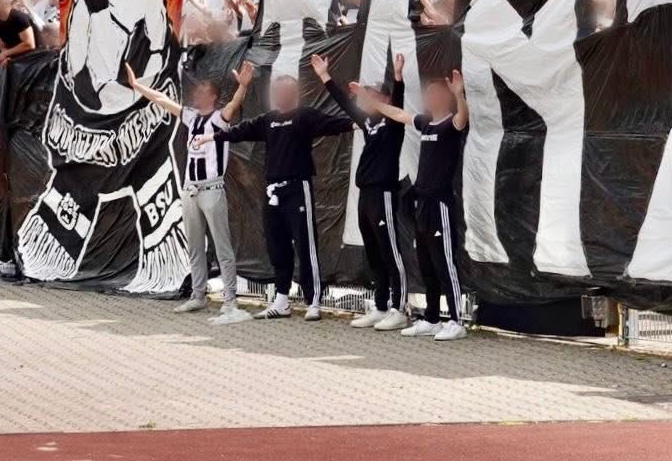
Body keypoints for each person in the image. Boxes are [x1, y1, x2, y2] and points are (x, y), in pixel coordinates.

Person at [198, 59, 353, 321]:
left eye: (285, 91)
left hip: (298, 188)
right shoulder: (268, 120)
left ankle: (313, 299)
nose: (280, 95)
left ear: (294, 94)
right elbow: (239, 131)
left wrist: (358, 123)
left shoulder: (305, 116)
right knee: (276, 245)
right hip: (273, 192)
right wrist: (211, 137)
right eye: (277, 92)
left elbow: (339, 124)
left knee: (306, 245)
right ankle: (281, 300)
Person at [125, 58, 256, 325]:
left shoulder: (220, 118)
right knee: (195, 246)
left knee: (222, 246)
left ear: (213, 96)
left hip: (212, 188)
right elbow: (163, 100)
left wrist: (243, 87)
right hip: (190, 190)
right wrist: (137, 86)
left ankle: (230, 300)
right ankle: (198, 294)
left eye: (202, 90)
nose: (197, 94)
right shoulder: (191, 117)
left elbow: (234, 104)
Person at [312, 50, 409, 331]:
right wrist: (325, 77)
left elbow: (398, 102)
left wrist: (398, 78)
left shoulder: (393, 123)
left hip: (384, 195)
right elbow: (345, 103)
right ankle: (380, 307)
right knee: (375, 254)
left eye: (372, 95)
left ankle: (399, 308)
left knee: (390, 252)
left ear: (385, 99)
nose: (366, 99)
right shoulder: (369, 124)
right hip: (366, 195)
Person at [371, 69, 470, 342]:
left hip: (440, 205)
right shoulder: (426, 122)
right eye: (428, 94)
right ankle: (433, 319)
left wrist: (459, 94)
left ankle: (457, 321)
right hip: (421, 205)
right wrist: (374, 103)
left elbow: (463, 118)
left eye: (436, 93)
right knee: (426, 264)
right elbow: (401, 116)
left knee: (444, 263)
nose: (430, 97)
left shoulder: (452, 124)